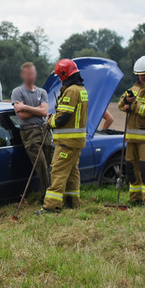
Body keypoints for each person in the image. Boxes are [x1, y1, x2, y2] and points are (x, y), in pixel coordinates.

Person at [37, 59, 88, 214]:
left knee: (58, 171)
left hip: (67, 141)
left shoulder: (71, 91)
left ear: (66, 75)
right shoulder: (81, 90)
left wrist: (50, 122)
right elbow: (68, 114)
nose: (59, 79)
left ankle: (51, 206)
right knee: (72, 172)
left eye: (60, 76)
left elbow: (62, 118)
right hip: (76, 141)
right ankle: (72, 201)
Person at [118, 56, 145, 206]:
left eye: (144, 74)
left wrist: (133, 106)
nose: (141, 78)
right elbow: (121, 105)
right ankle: (135, 199)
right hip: (132, 138)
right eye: (139, 75)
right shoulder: (134, 88)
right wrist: (125, 102)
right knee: (132, 170)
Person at [12, 62, 52, 195]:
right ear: (23, 75)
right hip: (29, 132)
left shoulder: (42, 92)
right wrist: (38, 109)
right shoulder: (17, 92)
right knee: (41, 165)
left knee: (50, 162)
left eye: (33, 73)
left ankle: (51, 194)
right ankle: (46, 196)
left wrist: (26, 107)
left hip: (44, 130)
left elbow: (45, 111)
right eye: (28, 73)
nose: (31, 76)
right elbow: (22, 116)